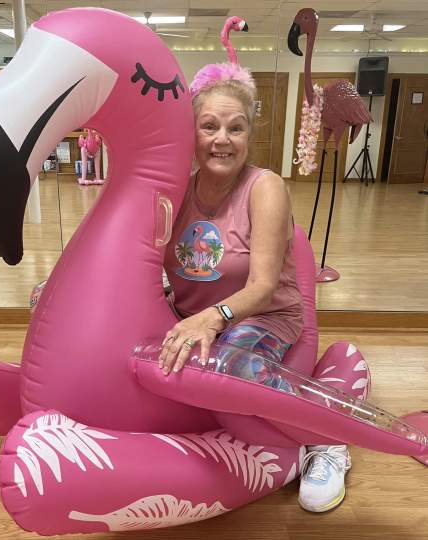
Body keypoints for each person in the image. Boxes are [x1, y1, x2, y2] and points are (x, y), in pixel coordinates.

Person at [158, 61, 351, 513]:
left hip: (263, 315)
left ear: (249, 134)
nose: (222, 139)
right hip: (195, 315)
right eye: (209, 126)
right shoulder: (177, 191)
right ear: (192, 133)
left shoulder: (265, 188)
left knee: (230, 366)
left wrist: (212, 318)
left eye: (236, 128)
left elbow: (263, 287)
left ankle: (327, 442)